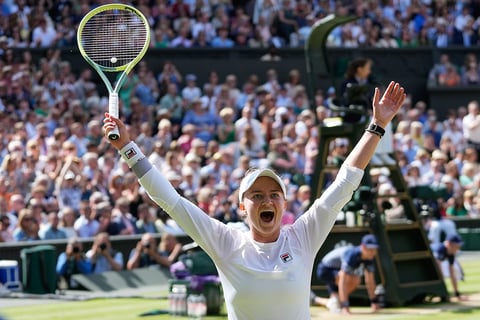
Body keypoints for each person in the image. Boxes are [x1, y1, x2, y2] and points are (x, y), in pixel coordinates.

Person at [103, 81, 406, 319]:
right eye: (257, 195)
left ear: (284, 204)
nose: (267, 201)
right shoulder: (226, 241)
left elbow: (345, 181)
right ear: (242, 206)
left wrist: (376, 126)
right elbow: (171, 200)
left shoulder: (303, 236)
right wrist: (128, 147)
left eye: (275, 195)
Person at [310, 234, 381, 314]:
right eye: (370, 249)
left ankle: (328, 301)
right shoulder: (352, 255)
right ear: (363, 247)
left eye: (375, 249)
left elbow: (370, 281)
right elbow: (343, 281)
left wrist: (374, 301)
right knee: (354, 279)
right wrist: (345, 306)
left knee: (355, 280)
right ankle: (338, 303)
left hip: (336, 271)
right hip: (325, 270)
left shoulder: (368, 258)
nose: (373, 252)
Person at [430, 234, 467, 301]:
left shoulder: (451, 253)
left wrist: (457, 294)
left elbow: (452, 274)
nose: (458, 248)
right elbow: (439, 271)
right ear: (449, 244)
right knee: (440, 274)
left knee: (454, 272)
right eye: (456, 246)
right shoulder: (440, 249)